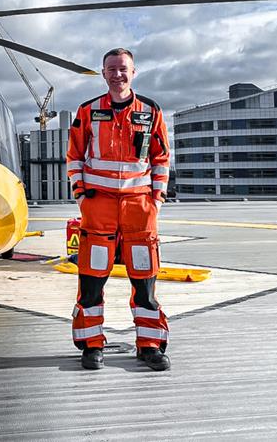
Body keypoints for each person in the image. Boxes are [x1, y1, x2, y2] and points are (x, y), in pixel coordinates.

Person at [66, 47, 171, 371]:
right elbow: (74, 157)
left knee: (145, 280)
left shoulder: (151, 111)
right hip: (99, 207)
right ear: (103, 73)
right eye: (111, 69)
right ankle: (91, 344)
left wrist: (157, 199)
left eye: (123, 68)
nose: (117, 74)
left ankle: (150, 344)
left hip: (139, 209)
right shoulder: (88, 110)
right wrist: (82, 196)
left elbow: (161, 158)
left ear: (133, 72)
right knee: (92, 279)